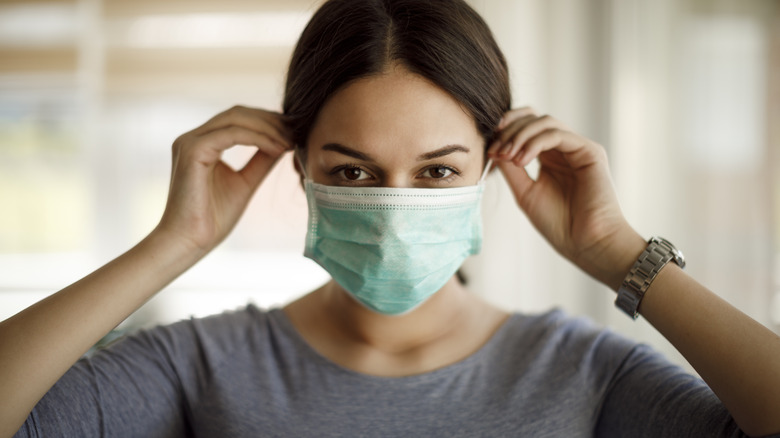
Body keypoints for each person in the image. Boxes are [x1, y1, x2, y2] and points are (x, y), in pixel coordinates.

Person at [2, 0, 779, 436]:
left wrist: (619, 252)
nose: (395, 206)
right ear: (300, 169)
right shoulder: (202, 365)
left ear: (491, 168)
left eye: (437, 171)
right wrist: (175, 244)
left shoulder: (582, 373)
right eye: (353, 171)